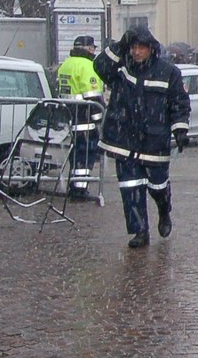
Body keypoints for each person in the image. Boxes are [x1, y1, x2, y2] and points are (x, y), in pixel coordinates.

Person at [94, 27, 190, 249]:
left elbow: (179, 103)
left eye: (141, 48)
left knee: (157, 186)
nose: (137, 52)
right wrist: (119, 45)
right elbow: (99, 66)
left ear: (151, 49)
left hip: (154, 141)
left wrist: (180, 130)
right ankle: (140, 231)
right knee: (130, 187)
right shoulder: (120, 69)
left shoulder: (168, 72)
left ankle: (164, 210)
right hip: (124, 140)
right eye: (133, 47)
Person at [55, 35, 105, 199]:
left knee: (75, 154)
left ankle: (74, 185)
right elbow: (93, 97)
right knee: (85, 154)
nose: (93, 51)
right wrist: (100, 119)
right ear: (88, 48)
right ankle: (80, 188)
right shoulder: (89, 66)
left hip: (69, 117)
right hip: (84, 118)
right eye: (92, 48)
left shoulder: (65, 65)